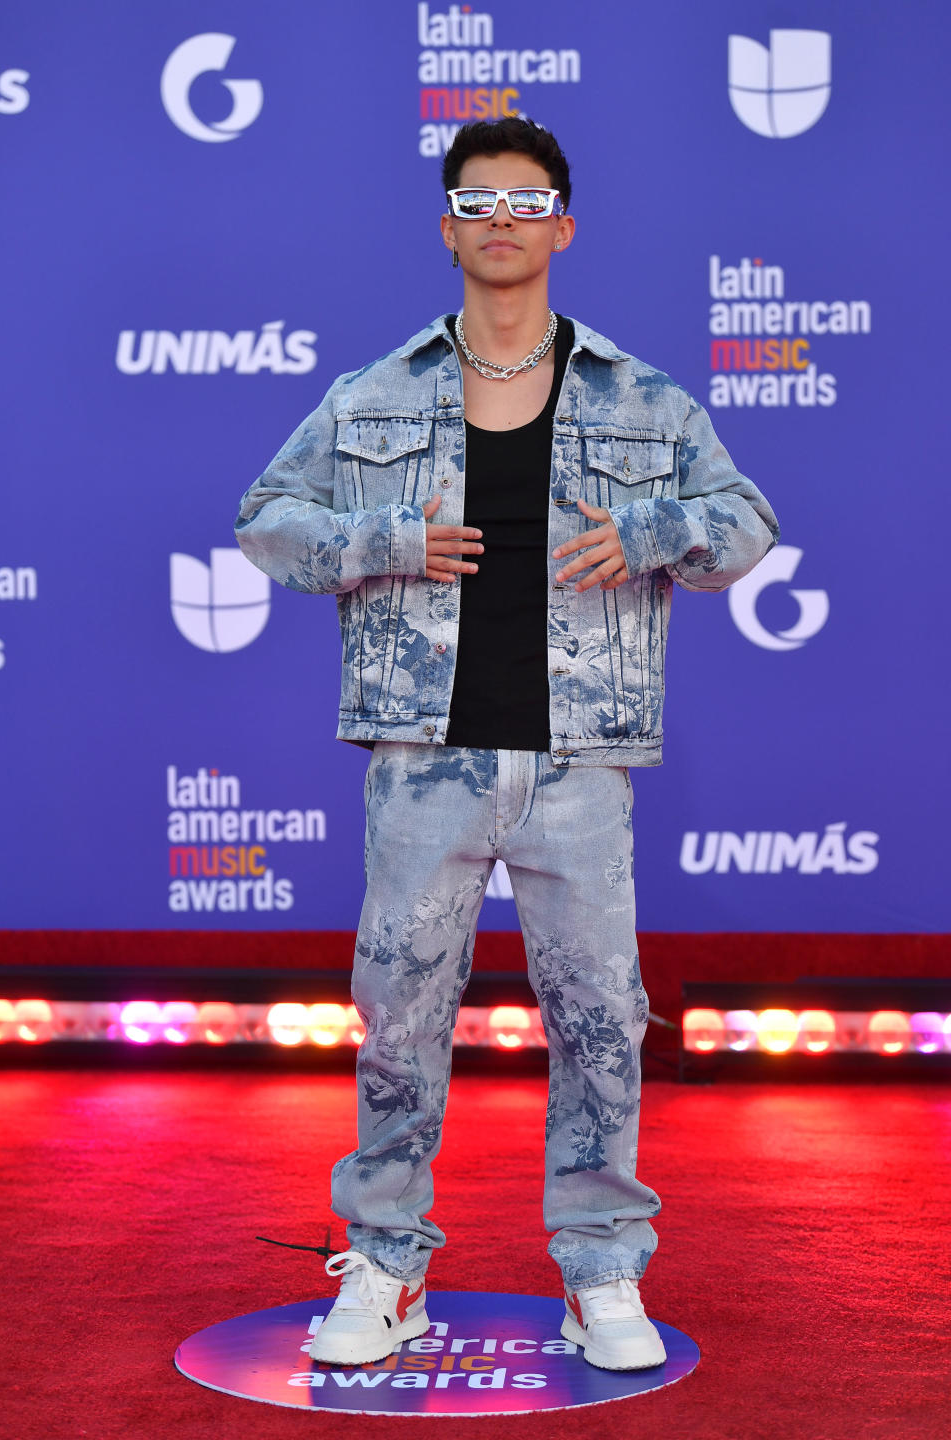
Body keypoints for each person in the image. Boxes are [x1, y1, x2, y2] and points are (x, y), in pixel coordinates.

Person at [235, 118, 779, 1373]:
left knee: (598, 1016)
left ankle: (601, 1271)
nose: (500, 224)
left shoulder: (641, 395)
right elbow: (268, 519)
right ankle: (384, 1265)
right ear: (447, 228)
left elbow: (746, 525)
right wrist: (383, 542)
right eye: (475, 204)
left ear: (563, 225)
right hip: (423, 759)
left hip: (579, 763)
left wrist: (648, 530)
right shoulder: (373, 392)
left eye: (524, 203)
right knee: (401, 1019)